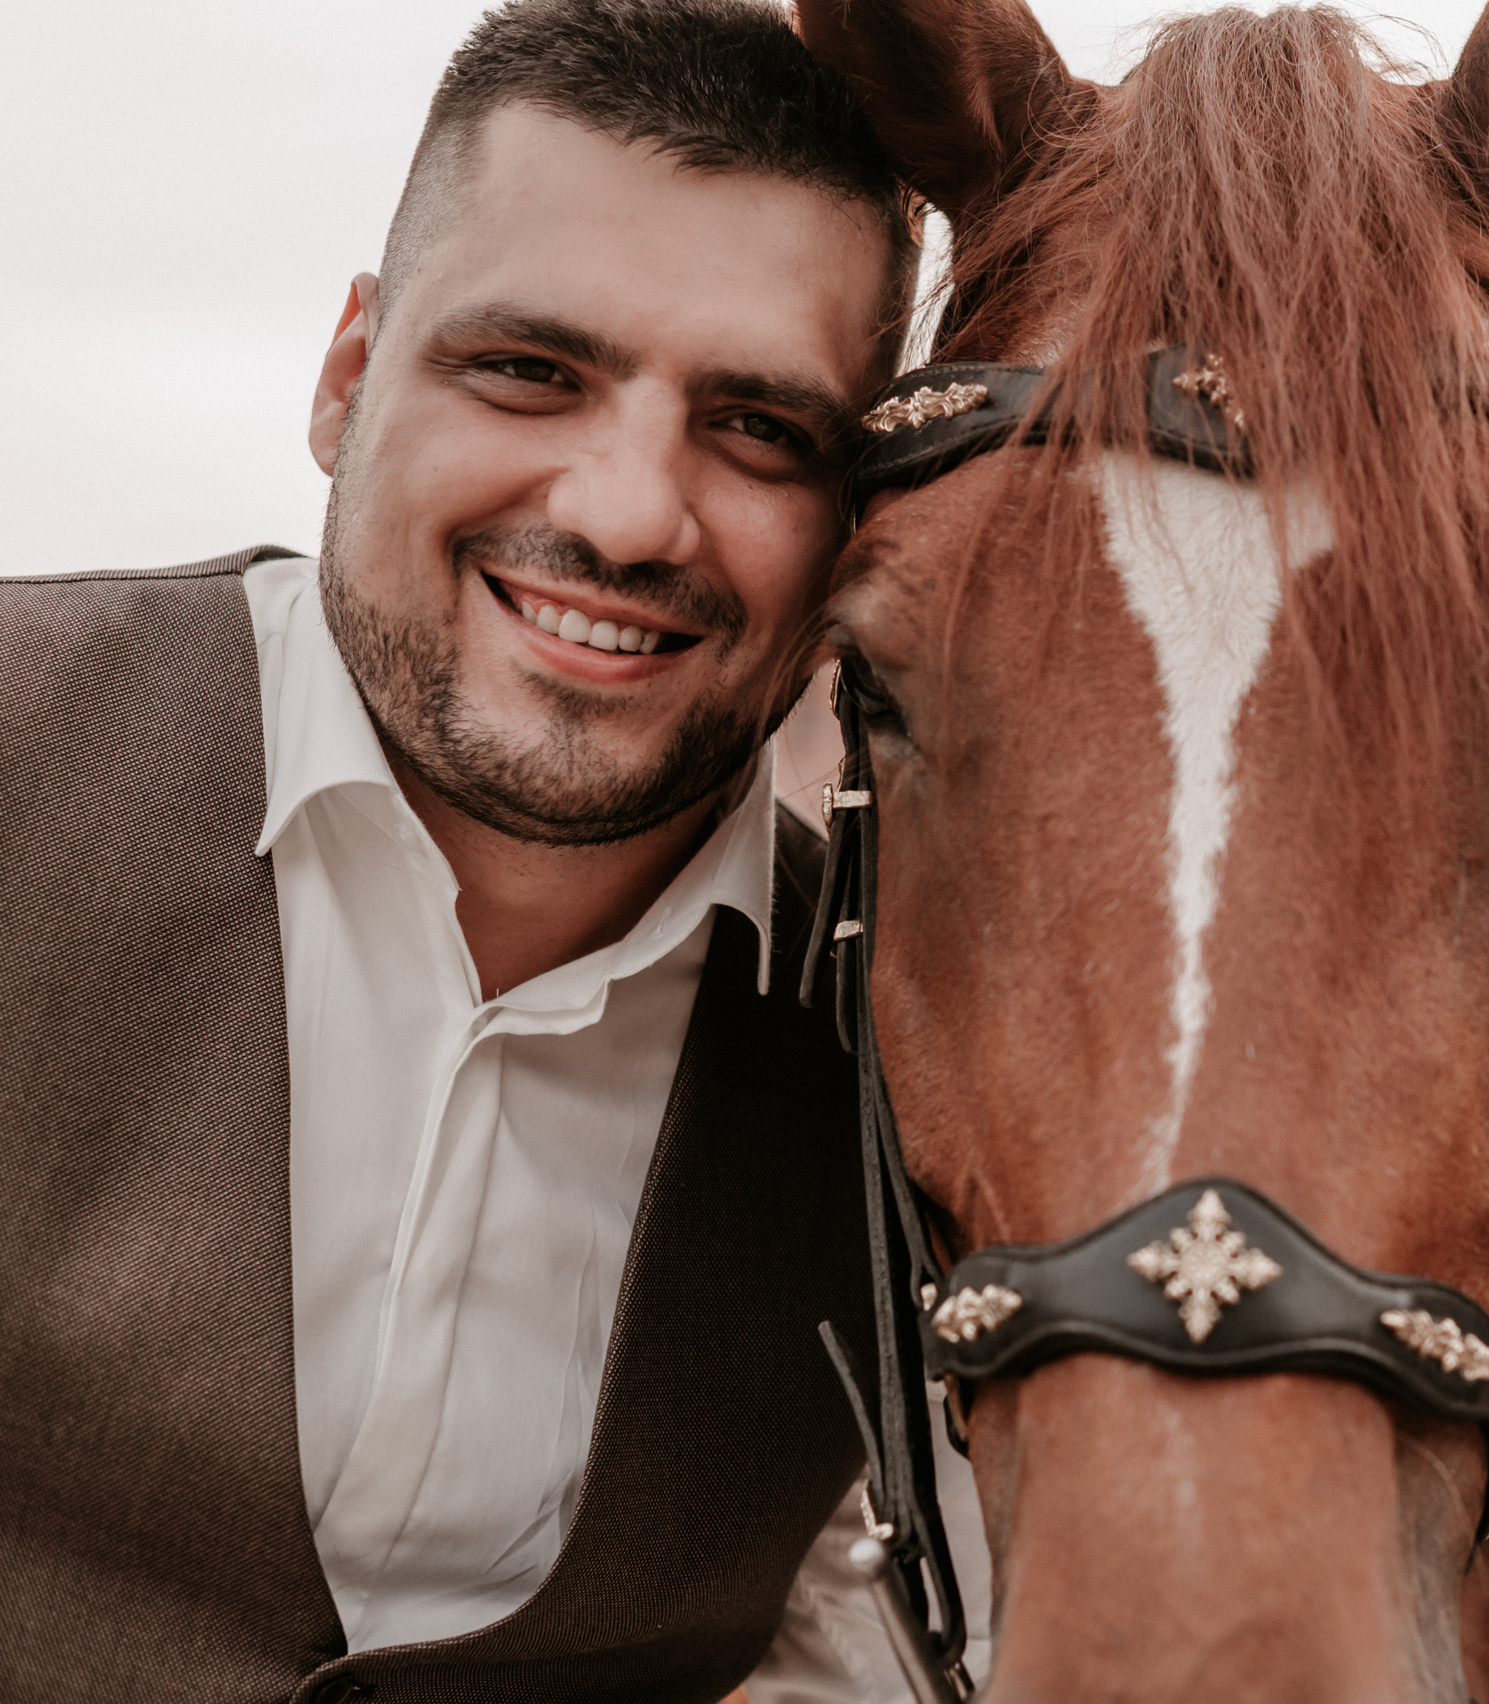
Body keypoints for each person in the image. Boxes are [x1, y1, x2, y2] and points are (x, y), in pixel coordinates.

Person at [0, 2, 921, 1697]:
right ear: (349, 378)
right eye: (529, 371)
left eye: (764, 430)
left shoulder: (910, 1057)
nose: (629, 513)